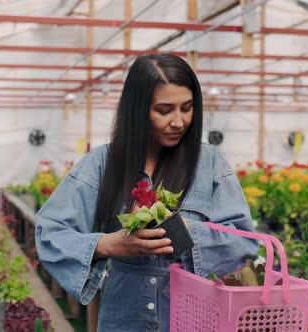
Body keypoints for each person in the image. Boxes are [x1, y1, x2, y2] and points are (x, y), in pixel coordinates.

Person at [35, 54, 258, 331]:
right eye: (164, 110)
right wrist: (108, 244)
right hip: (124, 317)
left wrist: (190, 233)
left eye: (187, 108)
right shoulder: (102, 164)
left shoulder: (210, 163)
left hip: (192, 317)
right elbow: (49, 233)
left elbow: (244, 241)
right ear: (137, 110)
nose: (178, 122)